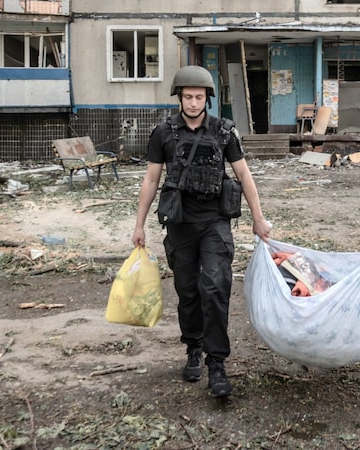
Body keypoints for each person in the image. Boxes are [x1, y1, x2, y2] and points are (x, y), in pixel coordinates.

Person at [132, 65, 271, 398]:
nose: (193, 103)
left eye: (199, 97)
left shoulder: (224, 132)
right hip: (180, 223)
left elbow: (244, 175)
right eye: (188, 96)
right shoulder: (163, 133)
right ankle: (193, 347)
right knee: (188, 291)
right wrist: (138, 225)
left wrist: (258, 217)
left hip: (214, 222)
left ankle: (217, 363)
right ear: (179, 98)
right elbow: (151, 179)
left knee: (216, 286)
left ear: (208, 99)